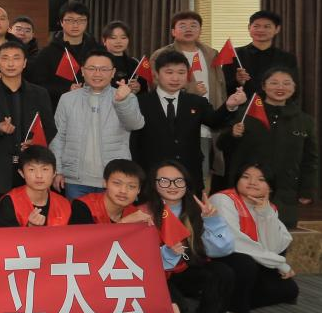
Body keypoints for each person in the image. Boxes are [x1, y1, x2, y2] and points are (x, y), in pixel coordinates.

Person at [144, 159, 240, 313]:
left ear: (186, 183)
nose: (172, 186)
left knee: (223, 271)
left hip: (185, 270)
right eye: (164, 181)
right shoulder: (144, 212)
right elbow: (141, 259)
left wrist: (213, 221)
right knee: (178, 310)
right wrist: (167, 252)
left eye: (178, 181)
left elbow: (223, 249)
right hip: (157, 276)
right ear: (154, 184)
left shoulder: (198, 210)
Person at [217, 66, 318, 228]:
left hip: (285, 191)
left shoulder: (304, 121)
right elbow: (221, 145)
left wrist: (307, 190)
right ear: (264, 86)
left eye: (286, 83)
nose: (280, 87)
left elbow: (310, 160)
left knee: (281, 234)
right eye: (274, 83)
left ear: (294, 87)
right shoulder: (246, 114)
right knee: (246, 232)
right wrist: (232, 134)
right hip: (248, 189)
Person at [209, 161, 300, 313]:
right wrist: (280, 263)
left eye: (261, 179)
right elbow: (234, 241)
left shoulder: (269, 208)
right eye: (246, 177)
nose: (252, 182)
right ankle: (234, 312)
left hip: (254, 261)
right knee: (245, 263)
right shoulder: (222, 200)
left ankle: (221, 304)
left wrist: (265, 214)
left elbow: (274, 246)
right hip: (219, 257)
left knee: (289, 290)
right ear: (237, 180)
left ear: (270, 187)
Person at [131, 51, 244, 182]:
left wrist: (229, 106)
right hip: (151, 174)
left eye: (181, 72)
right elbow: (134, 142)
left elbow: (215, 122)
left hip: (189, 174)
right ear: (156, 74)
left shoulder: (196, 101)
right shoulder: (140, 103)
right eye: (169, 72)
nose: (175, 78)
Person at [49, 49, 145, 199]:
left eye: (104, 69)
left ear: (113, 72)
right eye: (92, 68)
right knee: (78, 215)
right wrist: (58, 170)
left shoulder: (126, 97)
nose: (97, 74)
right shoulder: (67, 99)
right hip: (75, 180)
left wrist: (122, 102)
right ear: (82, 71)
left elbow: (135, 125)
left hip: (114, 179)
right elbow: (58, 138)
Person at [150, 11, 229, 185]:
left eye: (194, 25)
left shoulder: (211, 53)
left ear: (200, 30)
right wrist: (190, 90)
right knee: (169, 176)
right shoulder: (161, 55)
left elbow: (220, 86)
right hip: (175, 124)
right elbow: (155, 86)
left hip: (206, 124)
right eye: (182, 25)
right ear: (173, 31)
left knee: (199, 176)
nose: (188, 29)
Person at [0, 42, 56, 206]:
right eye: (5, 58)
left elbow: (49, 128)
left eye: (16, 58)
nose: (11, 64)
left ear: (24, 63)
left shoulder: (40, 93)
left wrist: (36, 142)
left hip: (30, 169)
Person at [28, 1, 95, 107]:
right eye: (70, 20)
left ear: (87, 22)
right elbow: (38, 85)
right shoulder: (47, 53)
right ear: (61, 22)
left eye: (81, 20)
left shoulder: (96, 50)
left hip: (93, 106)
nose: (75, 25)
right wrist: (66, 89)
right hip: (59, 107)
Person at [223, 10, 299, 100]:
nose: (261, 30)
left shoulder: (287, 58)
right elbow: (222, 87)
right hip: (242, 106)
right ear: (249, 27)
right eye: (256, 26)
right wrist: (238, 81)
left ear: (277, 29)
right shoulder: (234, 54)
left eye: (267, 26)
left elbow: (293, 88)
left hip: (276, 106)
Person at [0, 146, 72, 227]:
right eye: (31, 169)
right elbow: (4, 234)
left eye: (45, 169)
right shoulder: (10, 202)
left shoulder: (63, 204)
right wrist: (30, 227)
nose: (39, 175)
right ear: (21, 173)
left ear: (54, 173)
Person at [67, 159, 152, 225]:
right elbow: (83, 240)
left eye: (131, 186)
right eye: (117, 183)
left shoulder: (134, 214)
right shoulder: (83, 206)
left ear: (139, 190)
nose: (123, 191)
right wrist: (123, 222)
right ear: (105, 183)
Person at [100, 21, 148, 94]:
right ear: (104, 40)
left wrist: (138, 87)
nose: (118, 41)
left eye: (123, 38)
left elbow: (144, 91)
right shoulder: (96, 62)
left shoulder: (135, 63)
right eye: (113, 38)